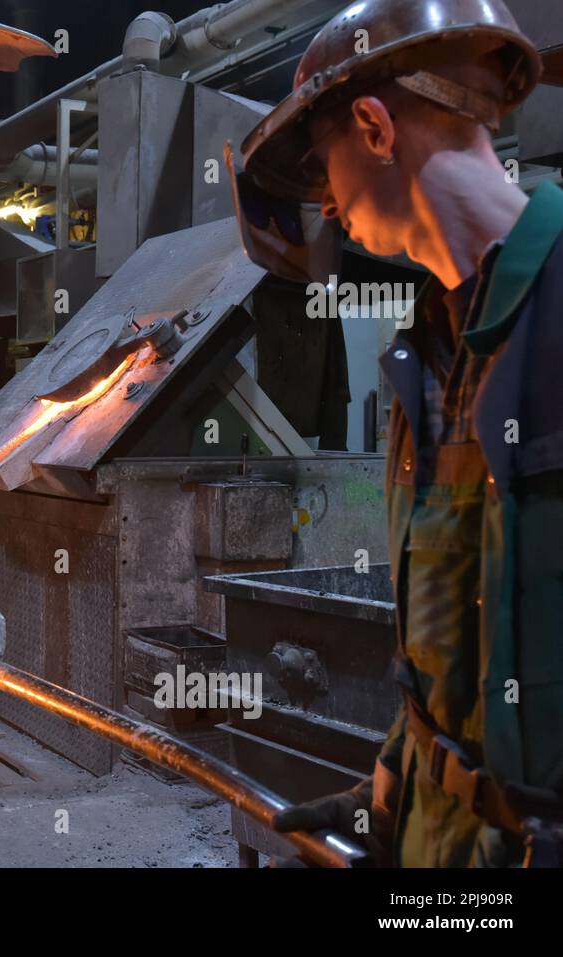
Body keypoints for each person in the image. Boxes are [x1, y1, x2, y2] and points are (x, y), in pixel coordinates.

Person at [228, 0, 563, 866]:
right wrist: (400, 781)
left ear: (375, 128)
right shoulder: (435, 352)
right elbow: (458, 639)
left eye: (325, 174)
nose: (330, 212)